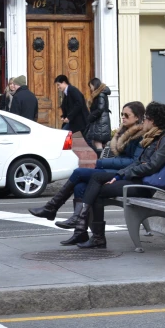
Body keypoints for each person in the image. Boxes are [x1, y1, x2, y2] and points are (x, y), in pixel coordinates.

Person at [28, 102, 146, 246]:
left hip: (124, 175)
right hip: (114, 171)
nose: (123, 118)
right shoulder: (125, 133)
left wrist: (101, 163)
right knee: (80, 187)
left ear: (138, 117)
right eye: (122, 114)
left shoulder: (140, 136)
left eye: (126, 115)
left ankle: (53, 208)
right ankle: (80, 232)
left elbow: (132, 162)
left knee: (78, 173)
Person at [63, 102, 165, 249]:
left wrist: (124, 174)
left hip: (145, 185)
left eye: (146, 118)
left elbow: (150, 167)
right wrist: (120, 175)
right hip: (135, 180)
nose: (144, 121)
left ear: (153, 121)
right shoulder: (151, 138)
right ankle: (85, 229)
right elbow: (138, 163)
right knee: (87, 183)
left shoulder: (164, 140)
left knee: (97, 189)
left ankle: (90, 230)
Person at [86, 77, 112, 156]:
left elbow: (100, 109)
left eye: (91, 86)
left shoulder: (100, 94)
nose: (90, 88)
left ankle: (101, 161)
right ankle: (102, 159)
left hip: (100, 122)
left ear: (95, 85)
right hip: (100, 121)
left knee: (97, 143)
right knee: (96, 142)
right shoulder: (100, 94)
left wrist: (90, 117)